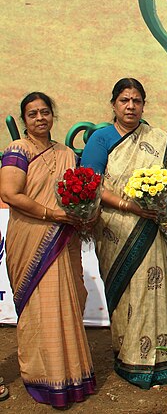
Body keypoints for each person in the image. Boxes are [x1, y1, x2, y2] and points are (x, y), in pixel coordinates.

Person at [81, 78, 167, 389]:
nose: (130, 106)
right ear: (114, 104)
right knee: (128, 293)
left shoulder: (157, 139)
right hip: (115, 229)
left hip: (151, 227)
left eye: (136, 101)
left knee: (153, 289)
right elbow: (91, 184)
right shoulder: (101, 139)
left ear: (143, 104)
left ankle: (163, 357)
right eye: (124, 100)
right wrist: (131, 205)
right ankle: (130, 357)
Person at [0, 92, 96, 407]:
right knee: (39, 309)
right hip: (30, 238)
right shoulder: (18, 150)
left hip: (63, 239)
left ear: (52, 115)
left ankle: (72, 376)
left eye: (45, 112)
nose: (40, 118)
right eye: (32, 114)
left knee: (67, 304)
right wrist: (51, 213)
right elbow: (10, 193)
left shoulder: (67, 152)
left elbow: (76, 194)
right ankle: (43, 376)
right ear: (25, 119)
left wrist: (82, 216)